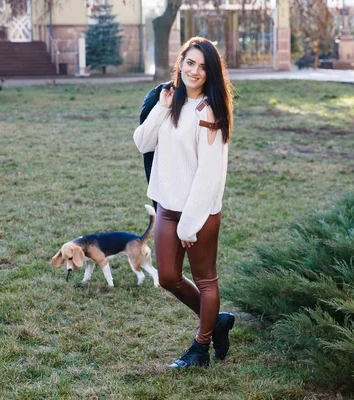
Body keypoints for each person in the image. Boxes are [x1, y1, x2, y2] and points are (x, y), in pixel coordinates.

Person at [133, 37, 235, 369]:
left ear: (211, 73)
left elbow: (210, 175)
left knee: (206, 279)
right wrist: (162, 106)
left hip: (199, 213)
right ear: (181, 63)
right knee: (167, 277)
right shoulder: (171, 101)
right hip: (167, 207)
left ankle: (200, 348)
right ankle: (217, 321)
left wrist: (190, 223)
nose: (194, 71)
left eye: (203, 67)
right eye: (189, 63)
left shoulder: (209, 111)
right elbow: (142, 143)